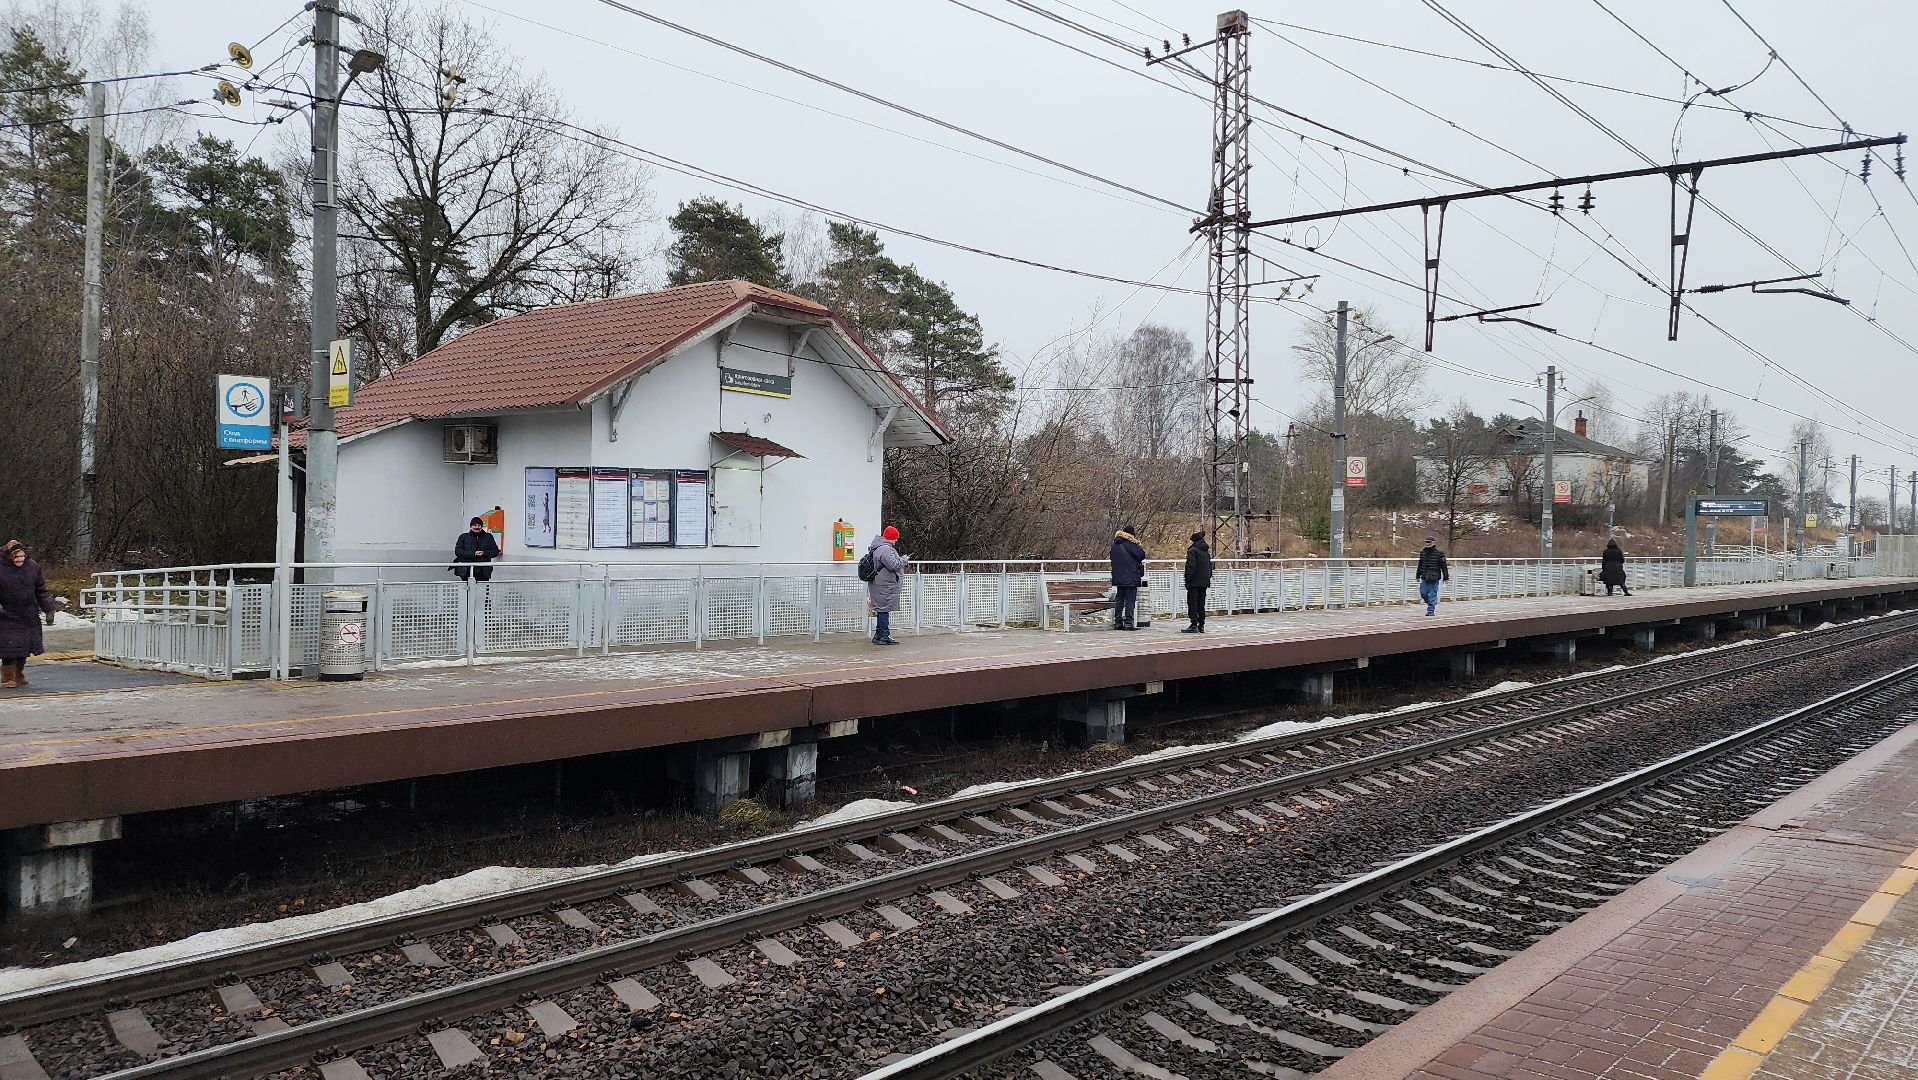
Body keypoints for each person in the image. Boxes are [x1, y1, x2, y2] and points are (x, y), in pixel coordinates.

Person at [0, 539, 56, 689]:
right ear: (9, 556)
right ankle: (7, 677)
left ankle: (19, 673)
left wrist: (49, 609)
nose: (19, 560)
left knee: (24, 647)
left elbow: (41, 591)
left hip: (28, 613)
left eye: (22, 556)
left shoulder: (33, 567)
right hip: (6, 613)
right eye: (16, 557)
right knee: (9, 647)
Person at [866, 525, 907, 645]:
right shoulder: (886, 549)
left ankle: (878, 635)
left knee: (881, 609)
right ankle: (884, 635)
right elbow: (893, 565)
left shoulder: (877, 547)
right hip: (885, 584)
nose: (896, 541)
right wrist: (903, 560)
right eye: (895, 538)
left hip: (879, 583)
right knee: (884, 610)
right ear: (891, 538)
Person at [1109, 524, 1146, 631]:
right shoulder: (1132, 545)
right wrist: (1138, 545)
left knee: (1120, 599)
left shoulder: (1115, 544)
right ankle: (1128, 623)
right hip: (1131, 576)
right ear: (1131, 535)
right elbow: (1141, 555)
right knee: (1130, 600)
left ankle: (1118, 622)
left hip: (1118, 576)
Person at [452, 516, 501, 582]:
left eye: (479, 525)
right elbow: (458, 551)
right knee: (467, 591)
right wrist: (473, 553)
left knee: (483, 591)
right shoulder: (463, 537)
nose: (477, 527)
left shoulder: (488, 537)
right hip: (466, 571)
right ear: (470, 526)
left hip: (483, 572)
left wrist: (484, 553)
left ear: (482, 526)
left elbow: (495, 551)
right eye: (475, 525)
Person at [1182, 531, 1213, 633]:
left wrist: (1188, 581)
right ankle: (1201, 624)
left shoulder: (1193, 551)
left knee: (1192, 603)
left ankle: (1194, 624)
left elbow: (1190, 568)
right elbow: (1210, 568)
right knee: (1201, 603)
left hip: (1194, 582)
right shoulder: (1206, 552)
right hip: (1204, 582)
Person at [1416, 535, 1449, 616]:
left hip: (1434, 577)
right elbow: (1420, 564)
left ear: (1433, 543)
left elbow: (1444, 566)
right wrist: (1417, 575)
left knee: (1432, 593)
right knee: (1423, 593)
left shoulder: (1439, 553)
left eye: (1429, 542)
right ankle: (1432, 602)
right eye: (1426, 542)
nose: (1427, 543)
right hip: (1424, 576)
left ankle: (1431, 610)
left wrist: (1446, 577)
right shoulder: (1422, 552)